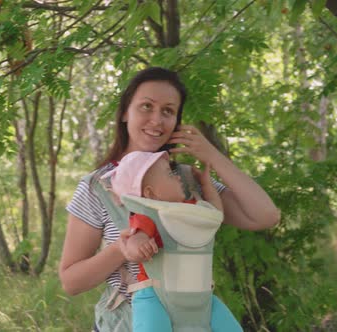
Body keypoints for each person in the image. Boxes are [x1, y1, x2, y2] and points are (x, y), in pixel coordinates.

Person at [59, 67, 280, 331]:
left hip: (192, 320)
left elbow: (266, 216)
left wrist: (213, 156)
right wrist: (121, 248)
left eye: (168, 111)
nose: (156, 120)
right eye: (146, 106)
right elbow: (71, 282)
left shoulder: (188, 181)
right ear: (124, 113)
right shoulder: (95, 188)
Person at [102, 150, 240, 331]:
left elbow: (214, 214)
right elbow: (135, 240)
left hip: (201, 297)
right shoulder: (150, 216)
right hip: (157, 297)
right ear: (150, 194)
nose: (178, 177)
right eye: (170, 174)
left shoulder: (189, 210)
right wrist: (140, 246)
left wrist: (206, 184)